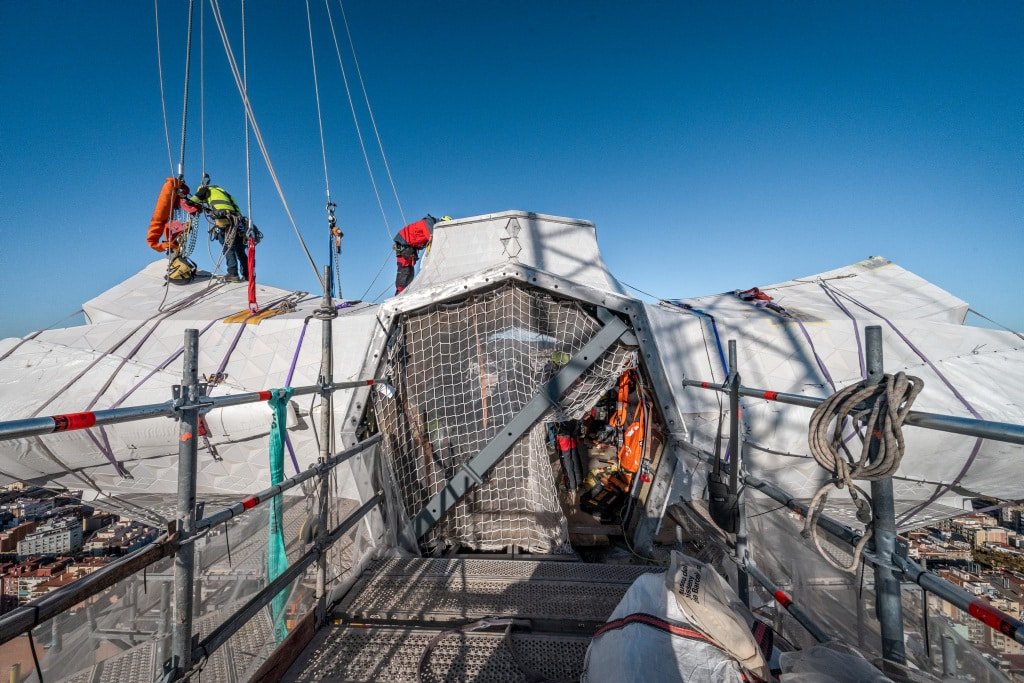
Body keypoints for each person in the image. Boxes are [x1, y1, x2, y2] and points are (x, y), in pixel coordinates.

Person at [191, 184, 248, 282]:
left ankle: (233, 273)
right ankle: (247, 275)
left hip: (225, 222)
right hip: (238, 223)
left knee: (228, 247)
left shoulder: (205, 190)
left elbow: (192, 201)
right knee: (240, 251)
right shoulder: (226, 195)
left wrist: (184, 198)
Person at [393, 215, 451, 294]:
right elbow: (432, 240)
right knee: (405, 271)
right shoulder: (429, 224)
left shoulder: (430, 226)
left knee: (410, 273)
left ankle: (404, 294)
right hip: (404, 244)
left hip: (409, 247)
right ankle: (399, 295)